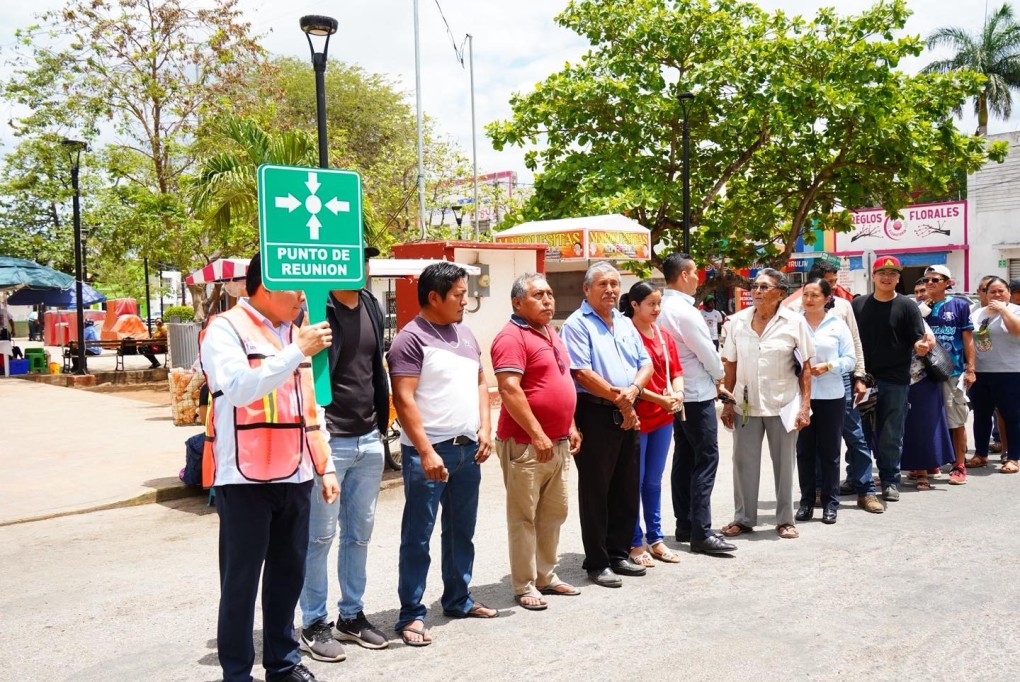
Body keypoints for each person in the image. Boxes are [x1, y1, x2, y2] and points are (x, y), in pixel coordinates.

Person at [200, 252, 339, 682]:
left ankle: (283, 663)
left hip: (295, 472)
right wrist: (296, 351)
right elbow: (239, 389)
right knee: (240, 583)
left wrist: (325, 465)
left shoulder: (297, 333)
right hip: (244, 478)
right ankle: (237, 673)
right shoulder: (225, 329)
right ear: (265, 286)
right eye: (295, 286)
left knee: (287, 576)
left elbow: (310, 406)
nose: (302, 296)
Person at [387, 262, 495, 647]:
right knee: (418, 536)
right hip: (429, 454)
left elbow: (480, 382)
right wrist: (426, 450)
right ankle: (411, 614)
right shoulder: (410, 339)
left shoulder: (465, 334)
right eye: (459, 295)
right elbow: (403, 398)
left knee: (461, 531)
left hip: (468, 449)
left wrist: (485, 428)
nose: (466, 301)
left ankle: (458, 598)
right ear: (434, 297)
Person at [298, 247, 390, 663]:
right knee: (319, 536)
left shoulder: (370, 303)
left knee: (359, 535)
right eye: (353, 258)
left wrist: (380, 426)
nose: (360, 267)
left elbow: (374, 367)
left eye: (364, 260)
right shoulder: (316, 306)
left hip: (369, 437)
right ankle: (313, 622)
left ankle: (350, 616)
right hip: (329, 438)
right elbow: (303, 371)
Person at [491, 273, 582, 611]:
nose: (547, 300)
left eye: (549, 294)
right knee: (524, 517)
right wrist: (537, 434)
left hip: (558, 442)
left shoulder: (550, 331)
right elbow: (509, 389)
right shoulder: (511, 337)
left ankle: (545, 575)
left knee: (554, 513)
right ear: (517, 303)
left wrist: (570, 424)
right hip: (526, 444)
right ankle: (524, 584)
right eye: (538, 295)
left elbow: (559, 380)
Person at [561, 261, 653, 587]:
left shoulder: (625, 323)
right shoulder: (576, 324)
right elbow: (581, 373)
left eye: (614, 284)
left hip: (629, 408)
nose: (610, 290)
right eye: (603, 284)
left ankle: (618, 553)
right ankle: (597, 562)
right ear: (587, 289)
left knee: (626, 486)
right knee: (596, 490)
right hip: (596, 412)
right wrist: (622, 400)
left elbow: (645, 363)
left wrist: (634, 391)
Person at [720, 268, 813, 540]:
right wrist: (727, 403)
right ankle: (743, 518)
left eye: (764, 287)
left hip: (783, 404)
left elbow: (806, 368)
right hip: (745, 404)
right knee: (743, 463)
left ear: (780, 294)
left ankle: (785, 520)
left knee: (784, 465)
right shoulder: (737, 322)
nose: (757, 291)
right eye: (755, 286)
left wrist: (804, 407)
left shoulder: (794, 322)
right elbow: (730, 365)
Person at [782, 262, 878, 513]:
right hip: (801, 390)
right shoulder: (792, 315)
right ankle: (812, 496)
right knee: (806, 447)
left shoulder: (842, 311)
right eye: (830, 281)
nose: (834, 286)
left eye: (834, 282)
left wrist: (857, 375)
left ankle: (863, 491)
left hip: (837, 385)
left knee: (850, 438)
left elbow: (854, 346)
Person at [659, 253, 737, 554]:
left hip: (679, 394)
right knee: (705, 458)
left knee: (685, 457)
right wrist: (720, 378)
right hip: (696, 393)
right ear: (683, 275)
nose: (698, 278)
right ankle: (701, 532)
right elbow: (707, 353)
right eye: (694, 273)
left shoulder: (662, 307)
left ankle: (686, 523)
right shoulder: (684, 311)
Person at [851, 256, 929, 504]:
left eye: (892, 273)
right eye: (882, 273)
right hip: (862, 379)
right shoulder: (858, 305)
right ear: (873, 276)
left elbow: (917, 338)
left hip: (895, 380)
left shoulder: (907, 306)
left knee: (891, 434)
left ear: (898, 278)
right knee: (858, 433)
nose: (887, 277)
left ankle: (890, 481)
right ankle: (856, 478)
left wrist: (921, 346)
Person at [619, 281, 683, 567]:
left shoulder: (663, 335)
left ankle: (655, 538)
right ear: (634, 305)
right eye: (651, 304)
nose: (657, 309)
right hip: (636, 418)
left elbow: (677, 371)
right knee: (634, 481)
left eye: (659, 304)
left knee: (653, 482)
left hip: (663, 418)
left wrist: (678, 394)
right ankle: (635, 542)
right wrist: (661, 400)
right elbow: (629, 381)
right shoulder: (625, 334)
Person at [795, 278, 855, 524]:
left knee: (830, 452)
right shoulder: (794, 323)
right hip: (800, 397)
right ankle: (807, 502)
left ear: (827, 298)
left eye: (815, 295)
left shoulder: (837, 325)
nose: (809, 300)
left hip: (831, 396)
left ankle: (831, 503)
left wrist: (829, 366)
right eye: (806, 295)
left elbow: (850, 359)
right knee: (804, 452)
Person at [921, 265, 975, 485]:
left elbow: (968, 338)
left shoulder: (960, 305)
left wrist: (970, 369)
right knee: (929, 419)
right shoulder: (920, 307)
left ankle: (959, 465)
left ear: (947, 283)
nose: (929, 283)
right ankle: (932, 461)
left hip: (952, 372)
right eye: (926, 280)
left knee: (956, 419)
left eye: (935, 280)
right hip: (925, 374)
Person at [968, 276, 1020, 473]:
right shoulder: (977, 313)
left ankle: (1014, 457)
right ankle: (981, 454)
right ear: (986, 294)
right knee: (981, 415)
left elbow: (1016, 330)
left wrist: (1003, 310)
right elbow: (969, 338)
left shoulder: (1016, 310)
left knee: (1012, 416)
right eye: (992, 292)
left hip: (1010, 372)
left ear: (1008, 293)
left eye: (1001, 291)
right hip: (981, 372)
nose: (997, 295)